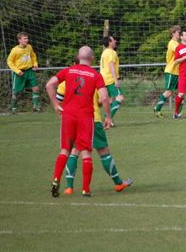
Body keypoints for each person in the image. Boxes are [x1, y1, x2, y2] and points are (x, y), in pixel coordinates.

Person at [46, 46, 112, 197]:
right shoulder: (95, 75)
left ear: (78, 56)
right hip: (85, 117)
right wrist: (108, 116)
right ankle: (86, 190)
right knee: (85, 152)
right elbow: (104, 98)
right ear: (92, 58)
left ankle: (56, 180)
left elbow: (49, 84)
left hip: (68, 115)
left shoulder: (68, 70)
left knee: (65, 150)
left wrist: (55, 104)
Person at [57, 81, 133, 194]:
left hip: (73, 120)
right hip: (92, 119)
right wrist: (109, 111)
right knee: (104, 152)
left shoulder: (67, 79)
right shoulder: (93, 77)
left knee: (74, 151)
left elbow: (59, 100)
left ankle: (69, 187)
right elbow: (102, 99)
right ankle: (118, 183)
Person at [153, 25, 183, 118]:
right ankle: (157, 109)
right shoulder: (172, 43)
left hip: (178, 72)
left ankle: (177, 112)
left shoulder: (177, 43)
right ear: (173, 33)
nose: (180, 34)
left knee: (182, 92)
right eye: (178, 32)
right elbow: (180, 51)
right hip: (171, 71)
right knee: (169, 92)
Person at [7, 32, 41, 114]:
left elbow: (33, 56)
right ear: (19, 40)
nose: (27, 40)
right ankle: (13, 109)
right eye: (25, 39)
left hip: (29, 71)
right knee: (16, 92)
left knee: (35, 88)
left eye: (27, 38)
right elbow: (9, 62)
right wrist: (17, 71)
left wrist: (35, 64)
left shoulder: (29, 47)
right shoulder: (15, 50)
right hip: (19, 72)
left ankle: (36, 107)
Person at [100, 35, 123, 124]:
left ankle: (109, 119)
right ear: (109, 42)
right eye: (113, 40)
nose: (115, 41)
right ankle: (108, 118)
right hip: (110, 80)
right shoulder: (111, 52)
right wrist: (116, 80)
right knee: (120, 98)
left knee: (111, 100)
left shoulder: (104, 52)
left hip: (104, 79)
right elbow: (111, 66)